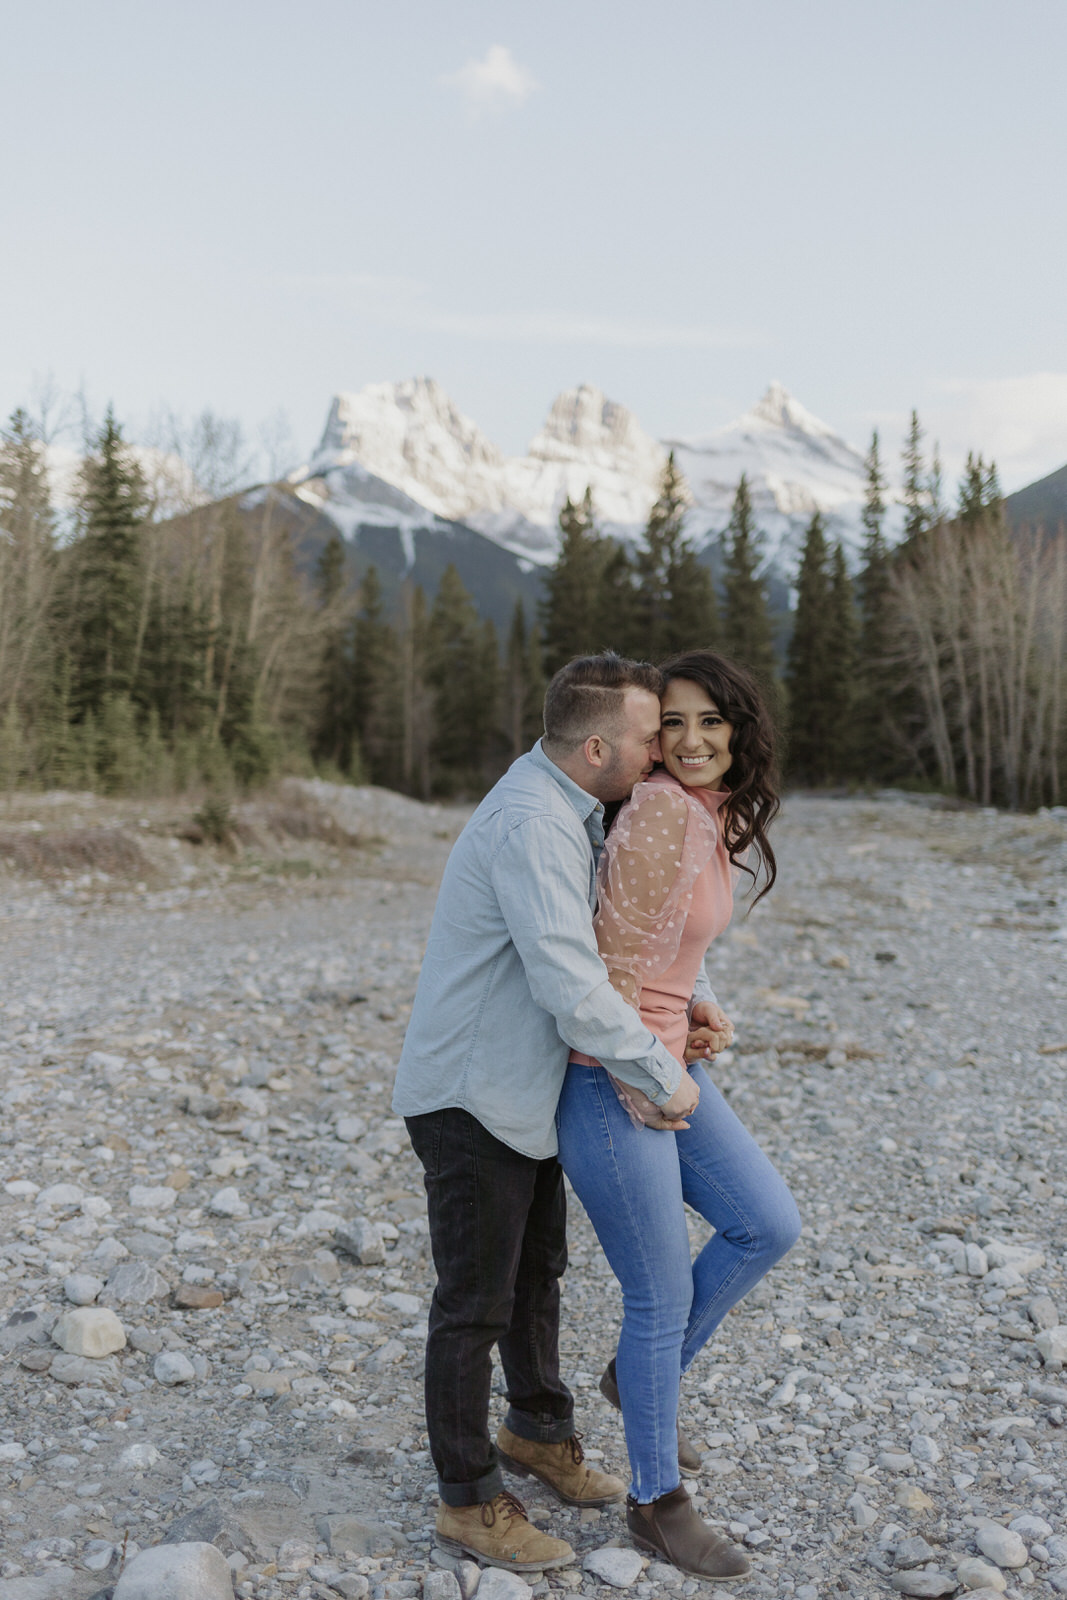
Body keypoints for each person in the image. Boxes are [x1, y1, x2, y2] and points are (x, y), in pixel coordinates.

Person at [392, 653, 718, 1572]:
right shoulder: (533, 823)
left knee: (540, 1271)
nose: (663, 752)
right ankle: (467, 1499)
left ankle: (537, 1432)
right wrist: (660, 1073)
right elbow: (570, 983)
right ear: (595, 744)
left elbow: (609, 940)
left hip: (518, 1088)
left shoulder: (572, 806)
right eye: (651, 737)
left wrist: (686, 1002)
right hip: (469, 1094)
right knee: (472, 1304)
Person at [556, 650, 802, 1582]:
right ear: (650, 736)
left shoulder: (706, 811)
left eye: (710, 722)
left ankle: (634, 1383)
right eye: (673, 724)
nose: (690, 741)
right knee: (656, 1295)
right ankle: (655, 1504)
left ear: (738, 730)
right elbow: (609, 962)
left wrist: (699, 1000)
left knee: (766, 1222)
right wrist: (641, 1076)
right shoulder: (662, 806)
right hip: (611, 1074)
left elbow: (663, 939)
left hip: (661, 1059)